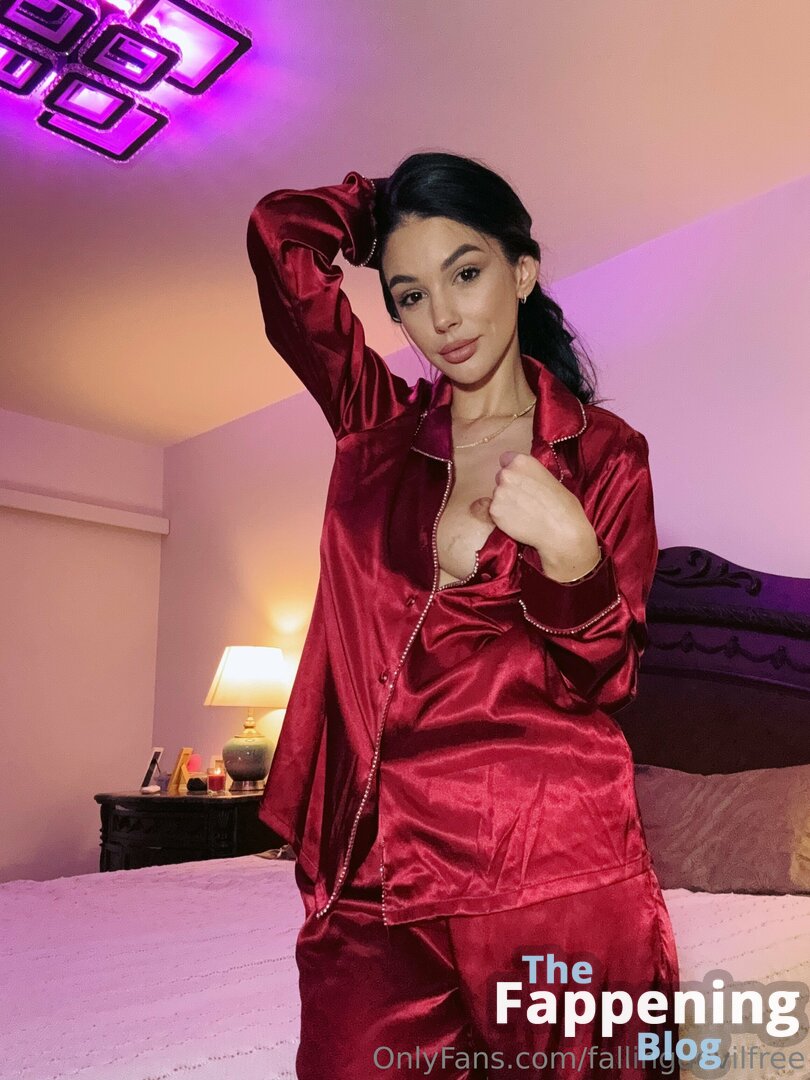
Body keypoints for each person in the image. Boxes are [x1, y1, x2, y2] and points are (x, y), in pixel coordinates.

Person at [246, 151, 681, 1079]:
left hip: (549, 859)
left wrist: (573, 558)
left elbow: (610, 677)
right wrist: (382, 202)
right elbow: (280, 240)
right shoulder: (376, 427)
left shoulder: (607, 456)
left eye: (466, 272)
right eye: (410, 294)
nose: (441, 317)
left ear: (522, 273)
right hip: (377, 863)